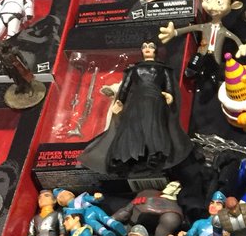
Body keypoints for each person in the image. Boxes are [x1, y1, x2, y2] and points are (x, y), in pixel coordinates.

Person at [80, 40, 192, 179]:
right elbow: (125, 87)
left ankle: (155, 153)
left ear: (155, 50)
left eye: (150, 47)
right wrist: (120, 101)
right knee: (132, 127)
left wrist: (169, 95)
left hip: (155, 100)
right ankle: (126, 155)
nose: (147, 49)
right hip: (136, 101)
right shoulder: (134, 69)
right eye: (144, 47)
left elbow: (168, 85)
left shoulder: (163, 69)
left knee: (153, 125)